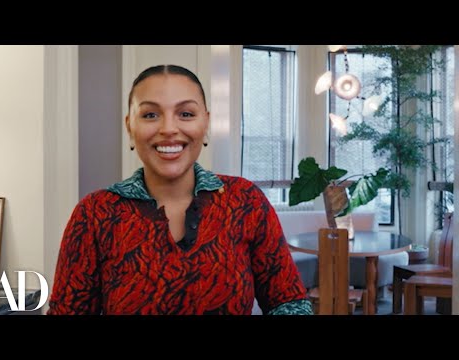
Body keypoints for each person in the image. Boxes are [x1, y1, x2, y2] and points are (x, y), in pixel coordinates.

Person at [48, 64, 313, 315]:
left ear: (205, 123)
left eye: (186, 114)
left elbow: (288, 300)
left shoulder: (245, 201)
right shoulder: (96, 213)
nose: (169, 129)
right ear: (130, 126)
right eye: (150, 114)